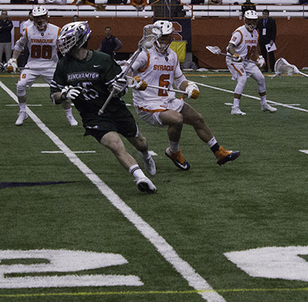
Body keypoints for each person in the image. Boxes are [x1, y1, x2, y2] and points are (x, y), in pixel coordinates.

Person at [50, 22, 157, 193]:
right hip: (92, 115)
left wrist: (121, 86)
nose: (64, 43)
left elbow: (118, 91)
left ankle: (146, 155)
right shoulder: (63, 64)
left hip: (115, 109)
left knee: (141, 143)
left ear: (79, 39)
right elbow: (53, 95)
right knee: (115, 144)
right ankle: (141, 178)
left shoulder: (103, 60)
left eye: (68, 39)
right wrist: (63, 95)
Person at [125, 20, 240, 170]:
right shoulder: (144, 54)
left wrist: (190, 87)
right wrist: (134, 81)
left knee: (197, 119)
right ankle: (174, 152)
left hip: (167, 100)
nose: (162, 40)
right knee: (177, 119)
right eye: (160, 36)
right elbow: (125, 71)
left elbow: (179, 80)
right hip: (147, 104)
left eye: (165, 37)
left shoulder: (172, 55)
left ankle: (218, 152)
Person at [7, 7, 78, 127]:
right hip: (32, 65)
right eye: (37, 18)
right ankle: (23, 111)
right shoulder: (28, 30)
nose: (40, 20)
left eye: (42, 17)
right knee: (20, 85)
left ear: (46, 17)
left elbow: (66, 48)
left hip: (51, 66)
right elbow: (19, 45)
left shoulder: (56, 30)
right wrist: (13, 59)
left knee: (63, 90)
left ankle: (69, 115)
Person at [226, 10, 277, 115]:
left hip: (246, 60)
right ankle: (235, 108)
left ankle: (264, 104)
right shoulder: (239, 32)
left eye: (254, 21)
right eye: (250, 21)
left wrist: (258, 57)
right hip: (234, 60)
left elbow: (254, 48)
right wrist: (235, 55)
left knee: (261, 78)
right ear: (245, 20)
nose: (252, 24)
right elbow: (230, 47)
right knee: (242, 79)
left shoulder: (255, 33)